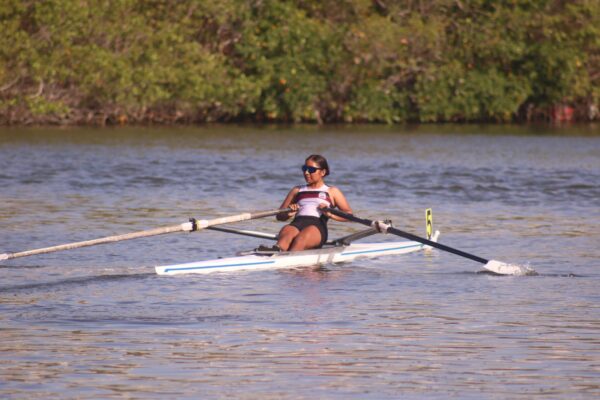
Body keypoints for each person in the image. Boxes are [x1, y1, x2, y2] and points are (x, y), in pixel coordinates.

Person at [271, 154, 352, 252]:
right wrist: (288, 214)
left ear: (323, 172)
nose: (306, 172)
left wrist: (330, 215)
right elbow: (279, 216)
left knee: (301, 239)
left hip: (317, 227)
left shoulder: (332, 191)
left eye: (311, 169)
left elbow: (349, 215)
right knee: (287, 232)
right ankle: (275, 251)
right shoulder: (297, 190)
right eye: (304, 168)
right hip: (296, 223)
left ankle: (290, 256)